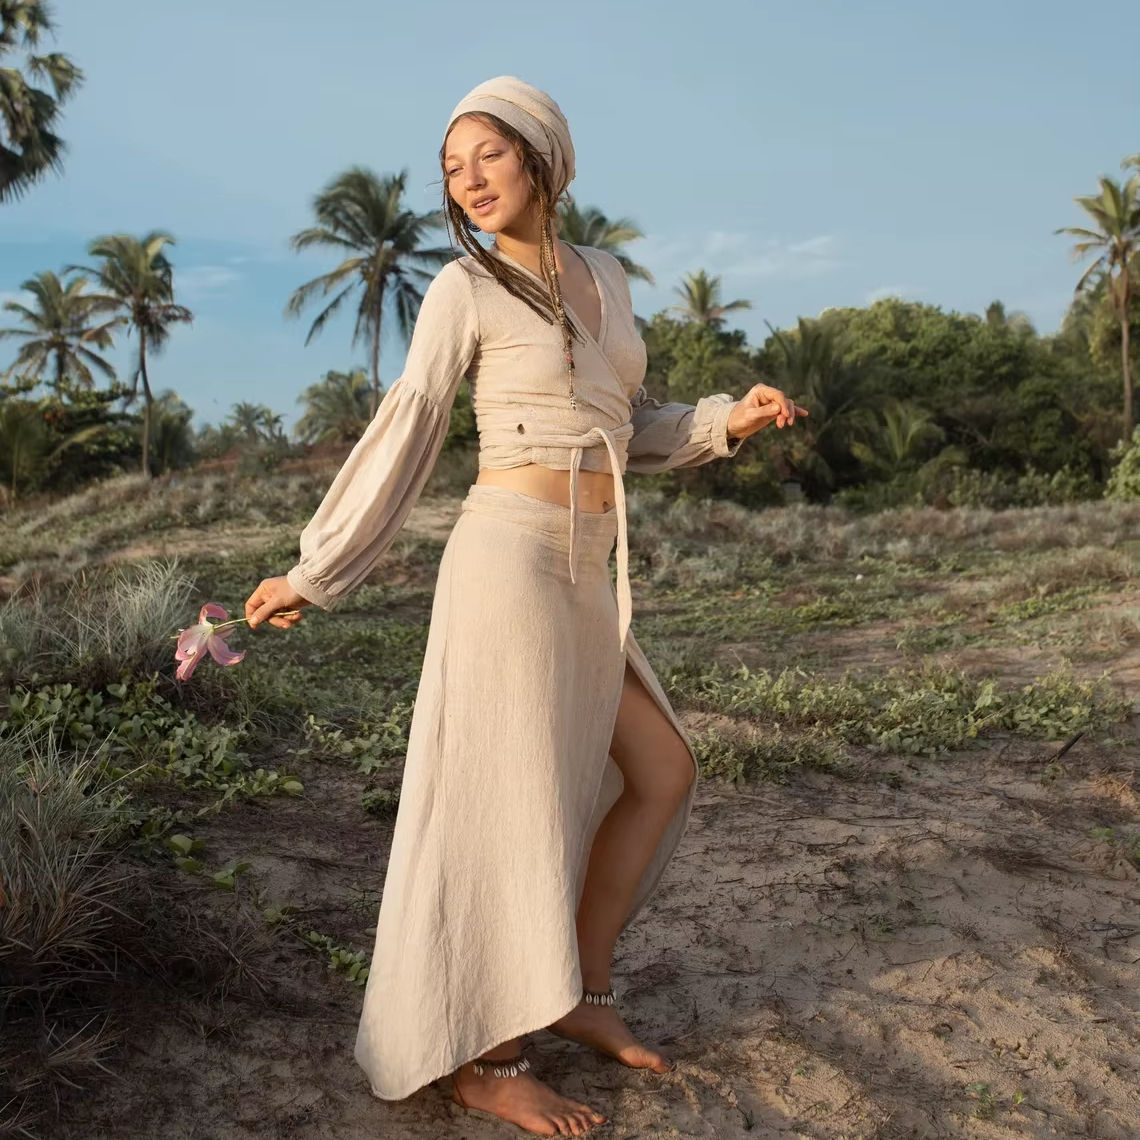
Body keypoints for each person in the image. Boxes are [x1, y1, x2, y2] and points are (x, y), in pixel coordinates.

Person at [244, 75, 807, 1139]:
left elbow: (629, 423)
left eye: (487, 156)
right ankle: (489, 1060)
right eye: (452, 169)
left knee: (663, 769)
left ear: (544, 155)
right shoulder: (463, 289)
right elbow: (408, 429)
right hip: (506, 560)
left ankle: (583, 997)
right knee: (516, 809)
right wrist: (313, 569)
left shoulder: (606, 276)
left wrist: (732, 418)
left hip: (586, 565)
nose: (468, 181)